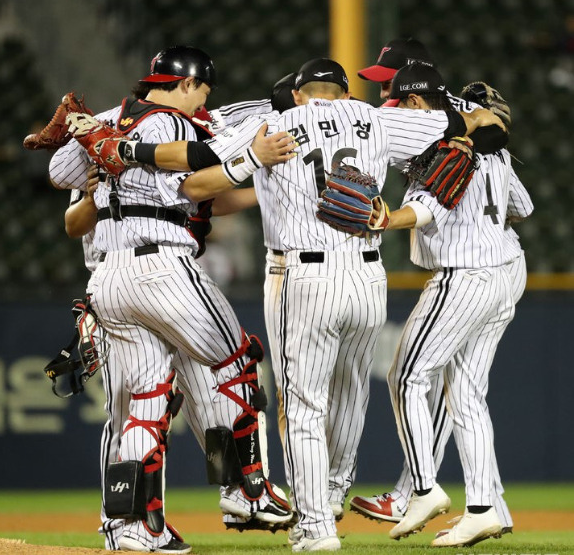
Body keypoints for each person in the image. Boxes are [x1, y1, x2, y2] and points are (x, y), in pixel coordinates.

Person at [68, 56, 505, 552]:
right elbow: (464, 127)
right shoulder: (377, 118)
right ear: (343, 93)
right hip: (366, 274)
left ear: (298, 94)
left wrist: (127, 145)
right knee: (350, 396)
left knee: (299, 406)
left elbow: (194, 170)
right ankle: (330, 492)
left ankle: (308, 523)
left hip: (300, 276)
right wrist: (480, 129)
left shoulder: (275, 123)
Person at [48, 44, 296, 553]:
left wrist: (104, 153)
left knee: (146, 400)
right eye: (202, 90)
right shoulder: (170, 120)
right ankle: (245, 490)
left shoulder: (106, 119)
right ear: (186, 84)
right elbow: (192, 164)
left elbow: (57, 171)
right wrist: (250, 158)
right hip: (162, 266)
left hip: (110, 281)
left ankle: (130, 526)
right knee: (237, 360)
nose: (202, 101)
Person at [350, 41, 525, 538]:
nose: (384, 94)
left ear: (415, 96)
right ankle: (485, 508)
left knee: (406, 376)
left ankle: (421, 492)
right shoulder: (479, 123)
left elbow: (432, 205)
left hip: (463, 273)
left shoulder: (442, 137)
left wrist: (389, 218)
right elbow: (524, 205)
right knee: (466, 393)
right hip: (501, 265)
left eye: (392, 87)